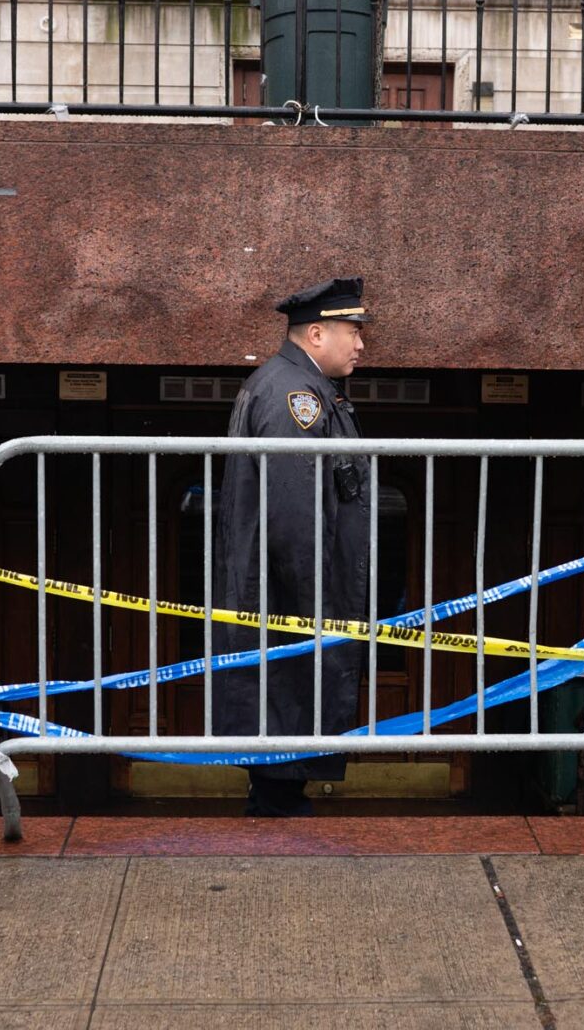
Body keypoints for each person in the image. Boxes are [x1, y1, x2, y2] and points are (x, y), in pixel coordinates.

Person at [213, 278, 372, 817]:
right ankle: (276, 810)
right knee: (284, 704)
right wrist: (318, 604)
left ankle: (278, 800)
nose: (360, 345)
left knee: (283, 706)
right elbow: (294, 513)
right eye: (353, 332)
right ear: (317, 332)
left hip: (281, 592)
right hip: (288, 597)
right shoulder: (294, 397)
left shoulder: (292, 385)